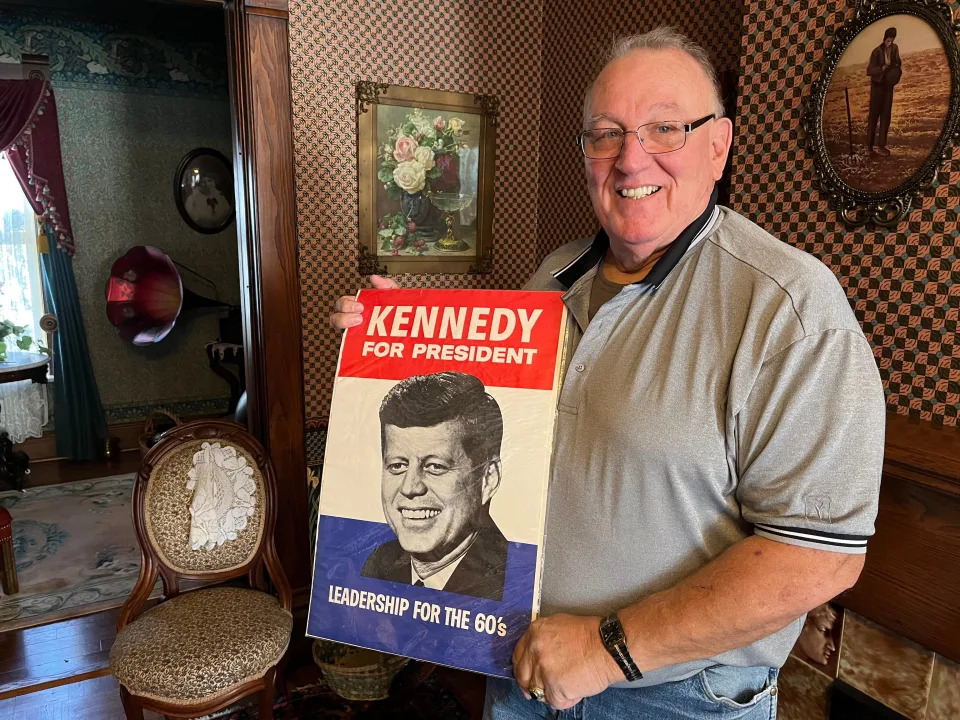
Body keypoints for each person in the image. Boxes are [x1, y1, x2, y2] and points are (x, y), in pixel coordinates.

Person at [332, 27, 885, 720]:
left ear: (719, 146)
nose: (631, 158)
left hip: (677, 700)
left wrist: (605, 649)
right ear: (585, 155)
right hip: (524, 666)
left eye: (665, 128)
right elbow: (488, 417)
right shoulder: (554, 275)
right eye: (606, 133)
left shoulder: (789, 307)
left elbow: (819, 557)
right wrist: (403, 337)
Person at [361, 372, 509, 601]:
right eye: (398, 465)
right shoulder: (380, 564)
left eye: (435, 466)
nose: (410, 488)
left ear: (488, 479)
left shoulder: (512, 582)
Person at [866, 27, 901, 156]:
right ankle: (869, 148)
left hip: (888, 86)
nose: (889, 43)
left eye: (891, 41)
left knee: (886, 116)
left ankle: (881, 146)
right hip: (877, 87)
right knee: (874, 116)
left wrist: (895, 68)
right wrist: (881, 68)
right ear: (884, 38)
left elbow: (898, 62)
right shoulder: (876, 52)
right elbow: (869, 71)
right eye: (887, 41)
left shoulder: (895, 48)